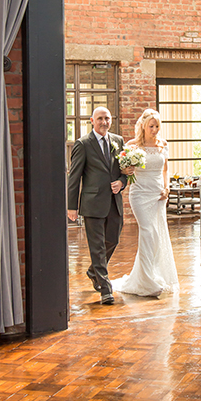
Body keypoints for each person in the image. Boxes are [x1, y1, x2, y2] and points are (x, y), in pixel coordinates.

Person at [112, 109, 179, 298]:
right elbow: (124, 170)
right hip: (140, 194)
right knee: (148, 231)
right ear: (143, 126)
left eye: (157, 126)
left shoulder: (163, 145)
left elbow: (165, 170)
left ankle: (152, 274)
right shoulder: (132, 145)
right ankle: (147, 281)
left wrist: (167, 188)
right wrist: (128, 168)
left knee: (157, 234)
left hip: (158, 195)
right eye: (152, 126)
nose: (155, 129)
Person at [67, 107, 128, 305]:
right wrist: (71, 206)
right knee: (97, 247)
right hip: (92, 204)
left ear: (111, 120)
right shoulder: (83, 144)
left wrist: (122, 182)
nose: (104, 122)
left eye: (107, 119)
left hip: (113, 202)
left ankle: (93, 271)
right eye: (100, 118)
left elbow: (125, 171)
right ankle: (105, 288)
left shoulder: (118, 141)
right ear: (92, 120)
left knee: (113, 239)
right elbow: (74, 177)